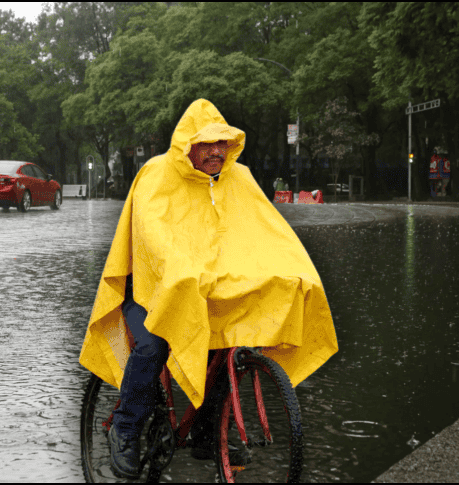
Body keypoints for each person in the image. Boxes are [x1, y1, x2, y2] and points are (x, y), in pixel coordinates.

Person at [79, 99, 338, 479]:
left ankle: (206, 431)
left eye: (222, 142)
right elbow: (152, 238)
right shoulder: (156, 174)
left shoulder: (239, 178)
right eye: (207, 143)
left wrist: (294, 271)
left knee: (228, 344)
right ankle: (126, 427)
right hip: (150, 289)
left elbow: (269, 232)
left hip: (208, 289)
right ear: (188, 144)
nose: (217, 150)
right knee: (152, 345)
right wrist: (182, 273)